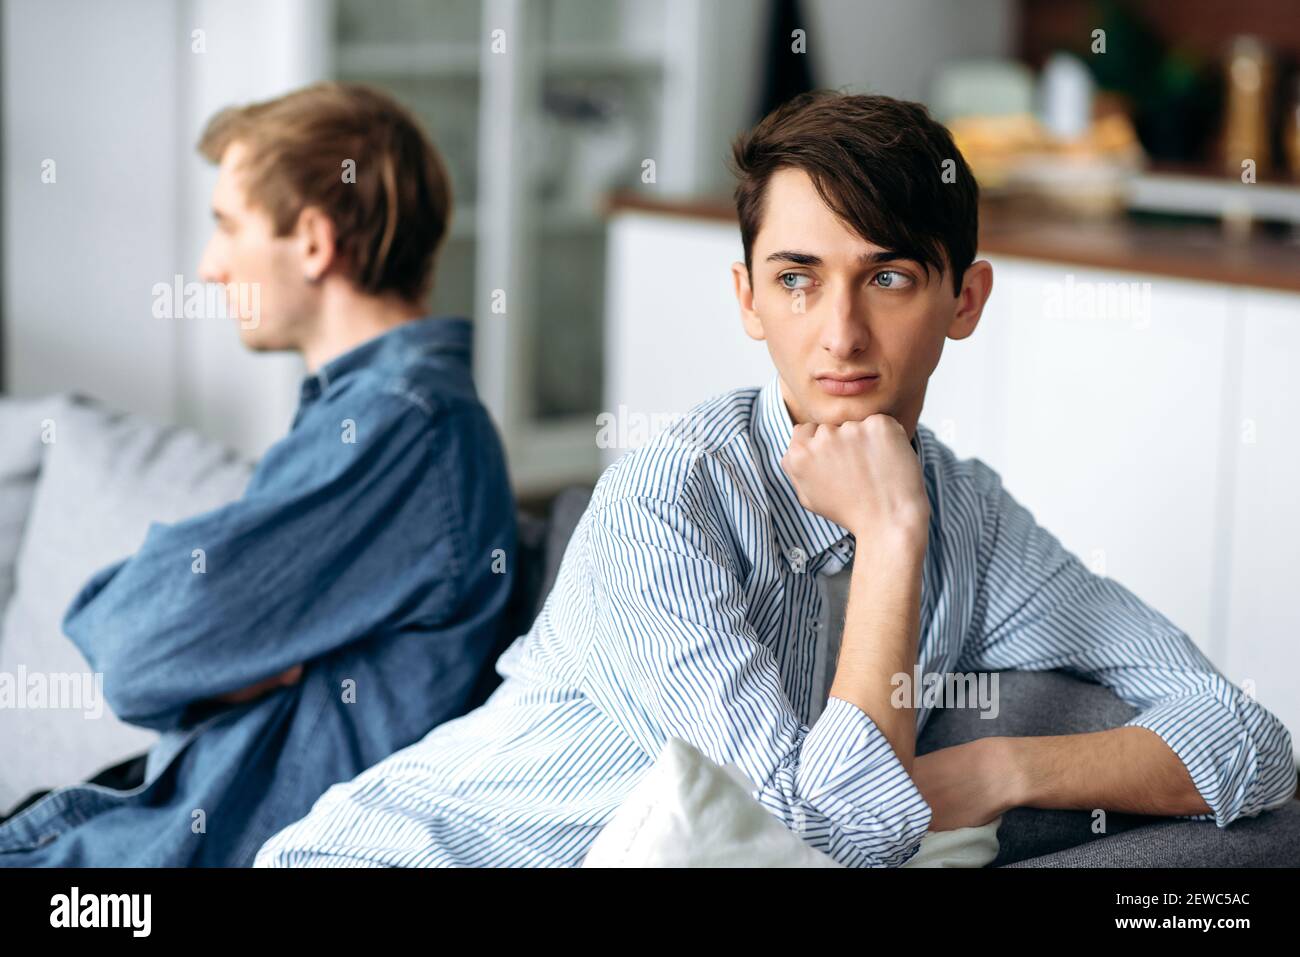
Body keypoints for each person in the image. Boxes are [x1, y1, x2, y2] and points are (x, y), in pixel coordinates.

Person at [254, 91, 1295, 868]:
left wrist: (997, 771)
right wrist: (889, 538)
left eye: (887, 277)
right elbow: (823, 837)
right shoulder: (663, 501)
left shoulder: (972, 521)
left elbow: (1245, 738)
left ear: (964, 299)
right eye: (798, 280)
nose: (838, 334)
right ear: (749, 299)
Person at [0, 83, 517, 866]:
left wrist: (224, 652)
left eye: (228, 226)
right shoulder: (372, 417)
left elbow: (134, 648)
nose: (210, 267)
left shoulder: (403, 426)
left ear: (312, 240)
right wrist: (234, 654)